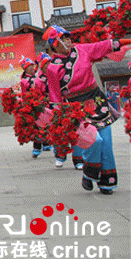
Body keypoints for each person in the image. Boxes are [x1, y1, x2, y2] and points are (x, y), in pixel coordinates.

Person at [42, 25, 131, 194]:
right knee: (94, 141)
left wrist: (128, 40)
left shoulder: (82, 50)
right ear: (55, 44)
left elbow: (105, 45)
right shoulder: (53, 68)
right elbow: (55, 97)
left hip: (97, 100)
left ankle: (107, 182)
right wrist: (58, 121)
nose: (68, 41)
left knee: (106, 143)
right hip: (76, 108)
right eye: (64, 38)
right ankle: (89, 171)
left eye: (68, 37)